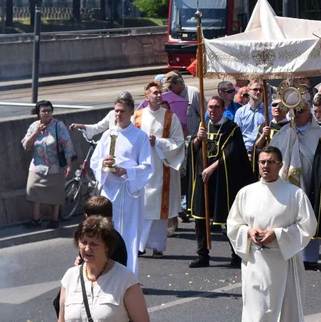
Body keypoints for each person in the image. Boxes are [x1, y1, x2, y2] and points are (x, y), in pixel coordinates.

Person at [226, 146, 316, 322]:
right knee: (256, 318)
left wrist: (277, 235)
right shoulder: (246, 193)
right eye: (262, 161)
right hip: (255, 263)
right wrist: (249, 231)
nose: (265, 166)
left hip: (284, 263)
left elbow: (308, 227)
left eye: (271, 162)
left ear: (280, 165)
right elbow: (233, 224)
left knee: (285, 317)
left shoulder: (294, 194)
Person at [87, 93, 153, 275]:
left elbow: (147, 166)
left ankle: (129, 275)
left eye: (122, 111)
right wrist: (104, 164)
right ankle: (107, 271)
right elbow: (95, 160)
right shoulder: (108, 135)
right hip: (111, 190)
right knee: (108, 232)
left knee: (129, 234)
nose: (118, 114)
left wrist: (126, 171)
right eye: (116, 111)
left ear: (131, 112)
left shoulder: (140, 137)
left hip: (129, 190)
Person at [187, 95, 253, 268]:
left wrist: (212, 167)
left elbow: (232, 154)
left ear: (223, 109)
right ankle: (202, 255)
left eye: (216, 107)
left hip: (223, 179)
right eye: (210, 107)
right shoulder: (203, 127)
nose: (212, 110)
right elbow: (193, 151)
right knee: (200, 218)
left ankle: (236, 255)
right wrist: (197, 140)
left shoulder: (231, 128)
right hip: (204, 179)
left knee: (228, 218)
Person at [269, 93, 321, 270]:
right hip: (288, 181)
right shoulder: (285, 131)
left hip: (310, 180)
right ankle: (287, 251)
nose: (297, 114)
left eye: (301, 111)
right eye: (294, 111)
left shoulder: (318, 134)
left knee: (307, 215)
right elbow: (274, 151)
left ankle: (309, 257)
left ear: (309, 111)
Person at [134, 82, 185, 258]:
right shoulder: (137, 117)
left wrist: (158, 141)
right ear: (146, 96)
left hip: (162, 169)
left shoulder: (170, 117)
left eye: (160, 93)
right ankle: (140, 245)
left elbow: (179, 142)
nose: (158, 95)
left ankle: (158, 246)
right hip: (143, 170)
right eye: (154, 93)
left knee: (160, 212)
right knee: (143, 209)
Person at [22, 100, 76, 227]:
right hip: (37, 166)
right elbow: (26, 145)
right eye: (43, 111)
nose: (46, 113)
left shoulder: (58, 126)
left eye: (49, 110)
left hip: (55, 166)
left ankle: (54, 219)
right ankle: (36, 219)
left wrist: (69, 164)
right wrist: (36, 132)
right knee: (32, 191)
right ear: (38, 113)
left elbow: (67, 145)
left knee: (55, 195)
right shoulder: (33, 126)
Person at [233, 77, 267, 155]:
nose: (258, 92)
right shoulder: (240, 112)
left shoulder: (268, 112)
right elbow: (237, 135)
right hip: (244, 152)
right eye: (255, 89)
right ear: (248, 91)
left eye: (261, 90)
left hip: (262, 152)